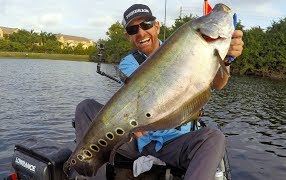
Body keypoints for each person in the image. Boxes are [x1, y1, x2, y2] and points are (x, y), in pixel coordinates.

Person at [74, 3, 244, 180]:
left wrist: (226, 60)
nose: (141, 33)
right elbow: (143, 98)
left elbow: (218, 84)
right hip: (140, 142)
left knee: (214, 137)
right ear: (127, 36)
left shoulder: (188, 45)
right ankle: (88, 173)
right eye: (133, 29)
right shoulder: (128, 63)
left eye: (146, 24)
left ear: (156, 26)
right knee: (86, 108)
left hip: (177, 142)